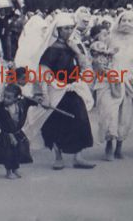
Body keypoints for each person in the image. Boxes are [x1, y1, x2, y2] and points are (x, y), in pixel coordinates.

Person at [22, 12, 96, 170]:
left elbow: (85, 66)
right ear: (58, 30)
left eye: (71, 28)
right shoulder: (51, 50)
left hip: (73, 89)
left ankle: (78, 156)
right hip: (56, 91)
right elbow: (43, 74)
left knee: (80, 120)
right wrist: (46, 96)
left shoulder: (73, 47)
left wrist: (77, 51)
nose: (69, 31)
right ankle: (58, 157)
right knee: (54, 123)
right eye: (65, 29)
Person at [104, 11, 133, 159]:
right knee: (110, 112)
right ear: (118, 21)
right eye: (124, 20)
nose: (127, 23)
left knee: (125, 115)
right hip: (112, 80)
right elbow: (102, 57)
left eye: (131, 21)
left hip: (130, 80)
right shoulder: (110, 38)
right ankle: (108, 144)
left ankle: (119, 146)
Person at [0, 84, 36, 179]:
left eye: (9, 97)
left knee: (17, 152)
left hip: (17, 133)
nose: (5, 99)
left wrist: (40, 101)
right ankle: (8, 172)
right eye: (4, 96)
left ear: (16, 98)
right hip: (6, 135)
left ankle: (15, 169)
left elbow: (33, 101)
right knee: (8, 153)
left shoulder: (22, 103)